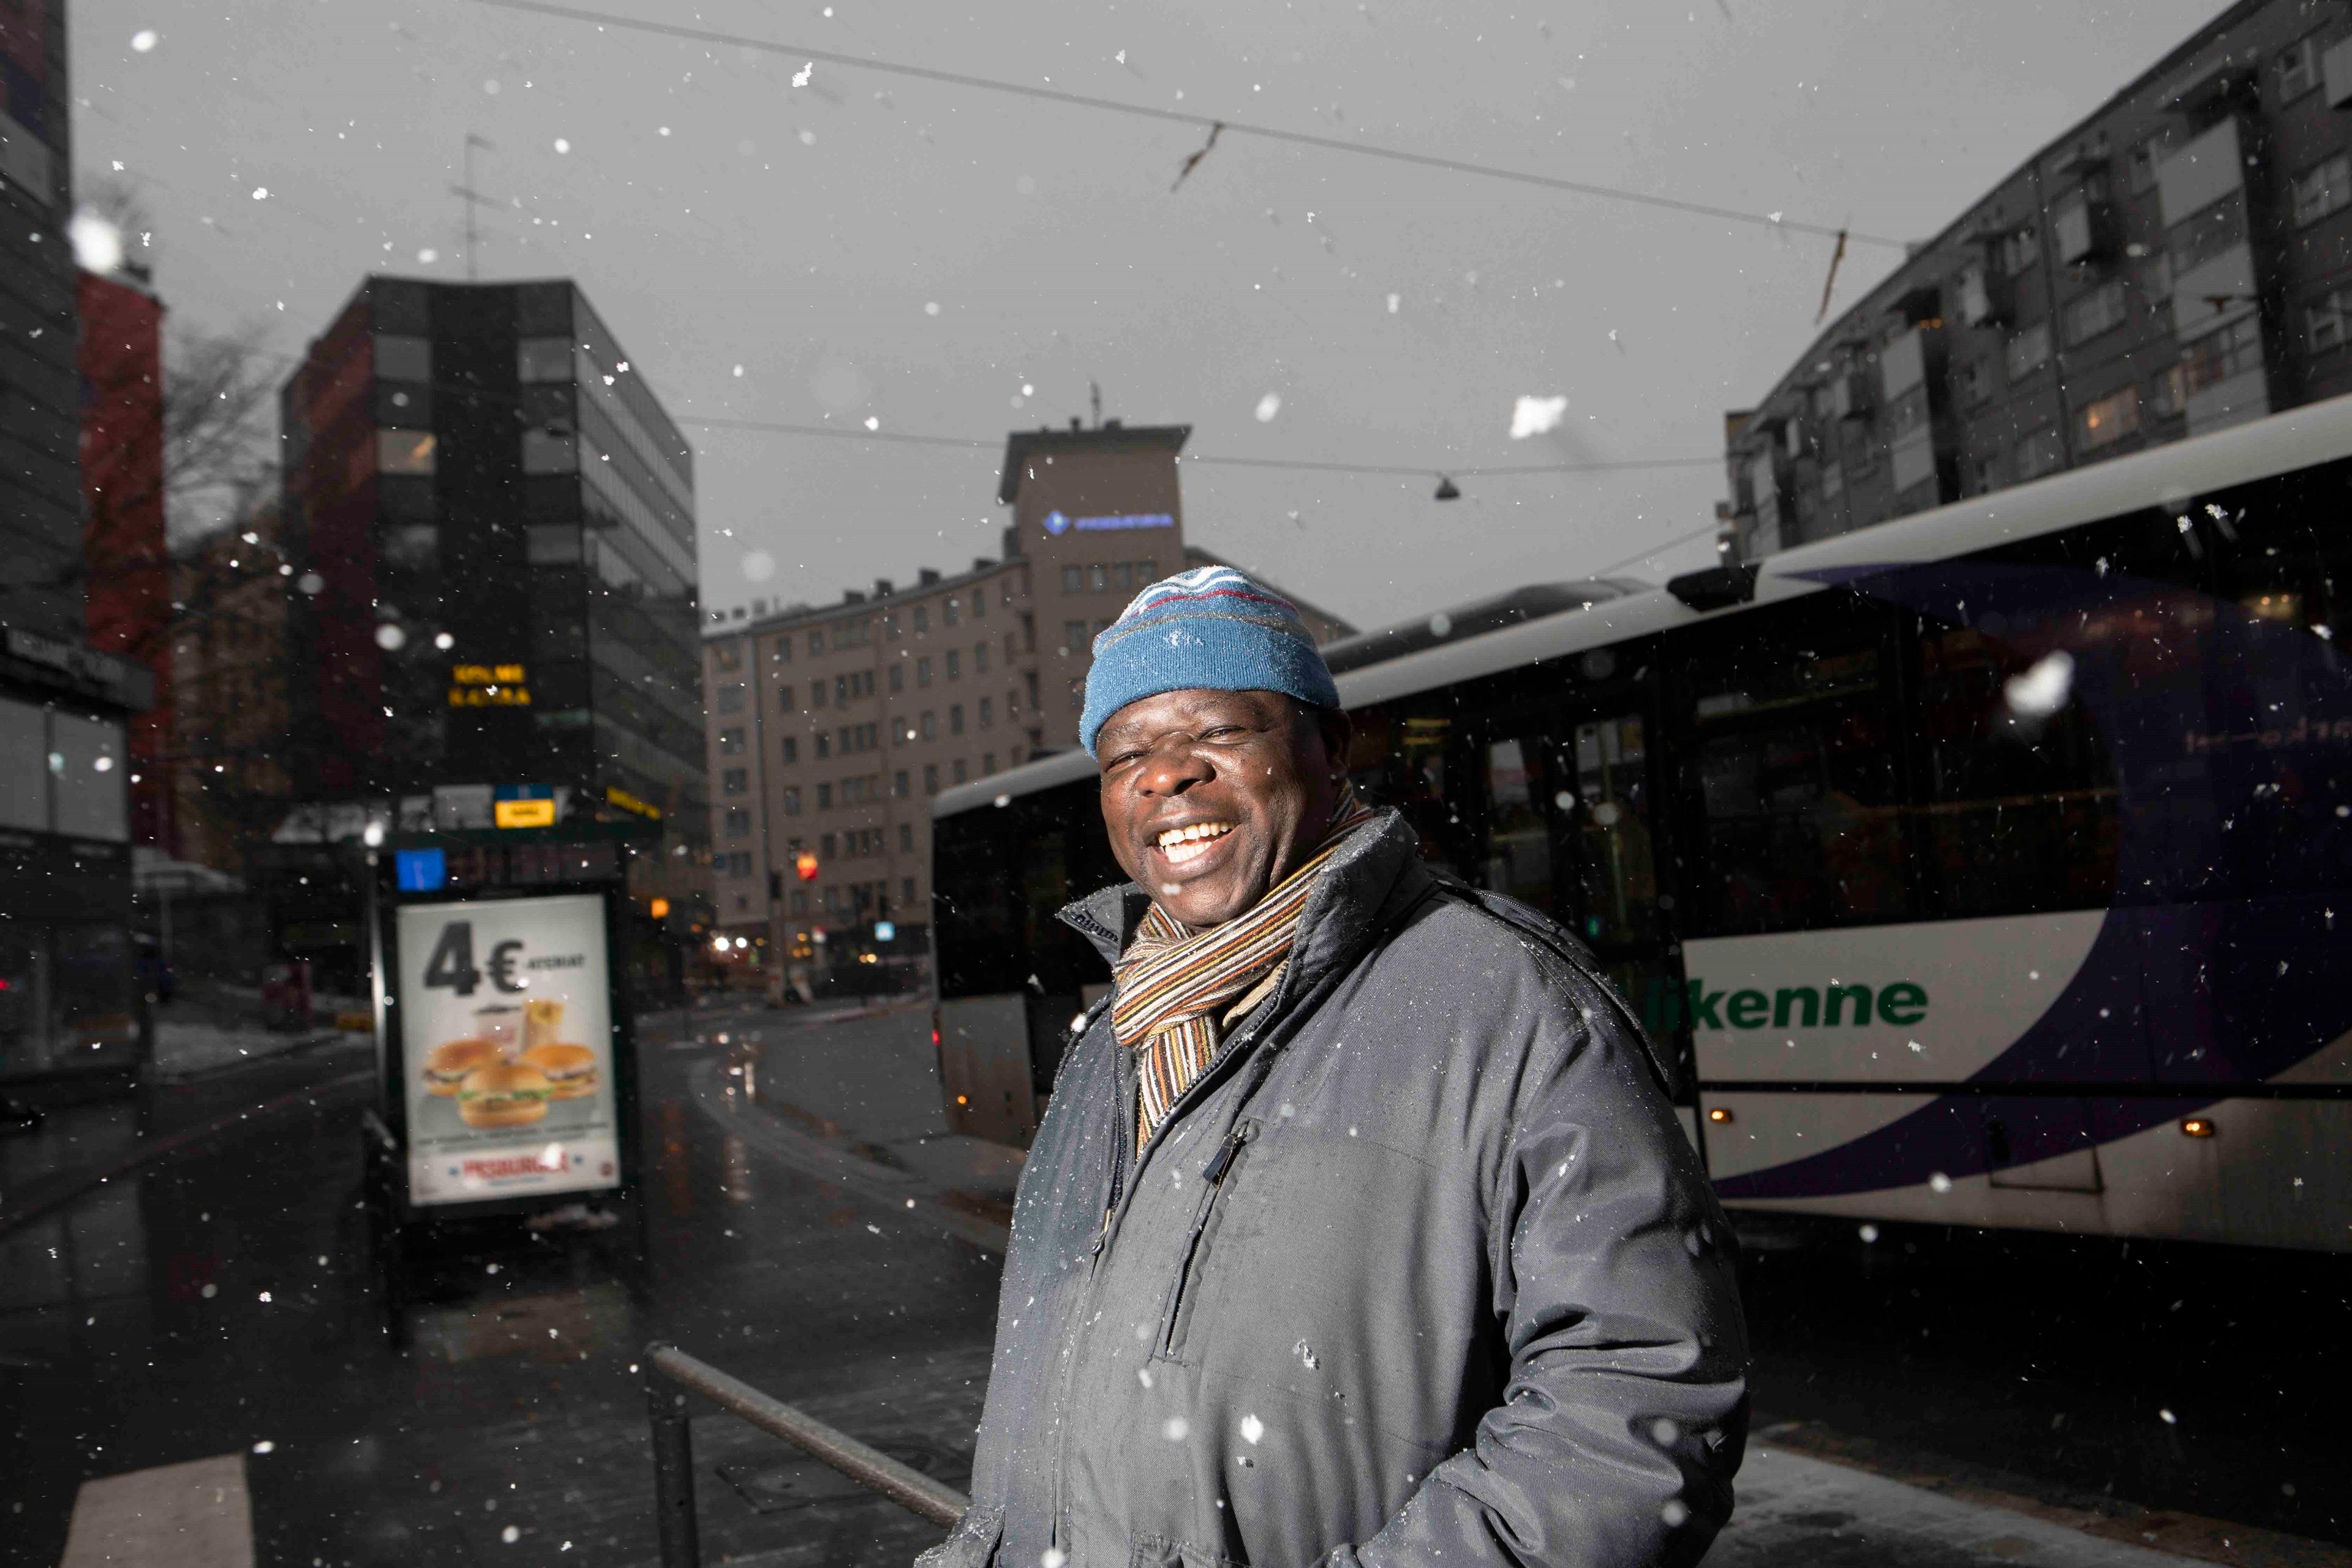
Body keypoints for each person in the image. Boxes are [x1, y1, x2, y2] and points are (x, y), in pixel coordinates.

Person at [922, 567, 1748, 1568]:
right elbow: (1048, 1393)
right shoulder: (1113, 1042)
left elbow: (1633, 1409)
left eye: (1222, 733)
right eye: (1126, 754)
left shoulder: (1507, 1004)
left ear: (1330, 747)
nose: (1166, 776)